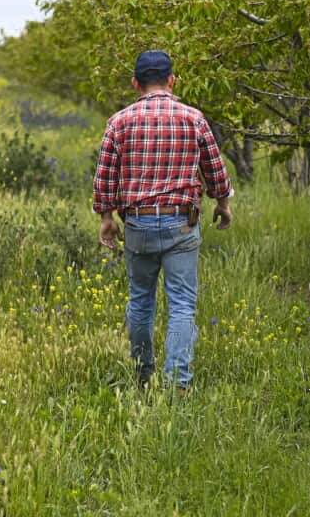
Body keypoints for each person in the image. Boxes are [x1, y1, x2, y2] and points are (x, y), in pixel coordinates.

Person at [92, 50, 233, 390]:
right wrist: (223, 203)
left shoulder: (120, 122)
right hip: (181, 223)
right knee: (182, 304)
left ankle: (143, 376)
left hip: (138, 224)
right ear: (172, 80)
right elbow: (214, 169)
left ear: (135, 83)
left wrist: (107, 217)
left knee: (140, 300)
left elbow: (105, 177)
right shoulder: (193, 119)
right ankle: (177, 383)